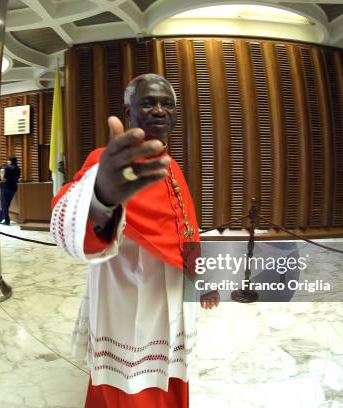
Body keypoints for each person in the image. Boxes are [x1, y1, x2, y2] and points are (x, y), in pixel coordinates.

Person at [50, 74, 219, 407]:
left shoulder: (171, 167)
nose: (159, 110)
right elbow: (71, 216)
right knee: (131, 384)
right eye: (148, 103)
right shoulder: (107, 161)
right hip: (126, 292)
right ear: (128, 112)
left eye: (166, 104)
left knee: (169, 370)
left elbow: (186, 229)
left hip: (170, 291)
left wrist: (201, 279)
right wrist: (101, 199)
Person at [0, 156, 21, 225]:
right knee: (7, 204)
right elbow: (17, 178)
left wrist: (2, 178)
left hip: (6, 187)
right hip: (14, 188)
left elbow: (2, 172)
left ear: (10, 161)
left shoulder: (6, 167)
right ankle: (0, 217)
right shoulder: (18, 168)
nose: (7, 161)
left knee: (4, 204)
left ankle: (6, 221)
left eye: (8, 160)